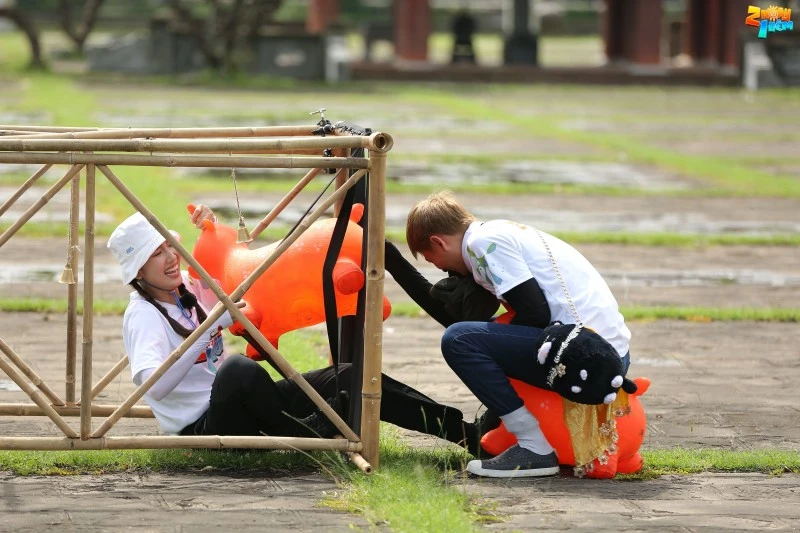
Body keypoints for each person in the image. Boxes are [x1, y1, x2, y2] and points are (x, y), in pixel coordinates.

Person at [106, 207, 496, 454]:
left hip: (247, 405)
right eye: (156, 254)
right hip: (207, 425)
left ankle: (466, 435)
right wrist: (213, 325)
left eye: (169, 247)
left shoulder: (187, 291)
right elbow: (152, 387)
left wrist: (210, 228)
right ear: (138, 272)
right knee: (238, 370)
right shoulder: (144, 314)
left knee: (348, 375)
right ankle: (305, 436)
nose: (171, 258)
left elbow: (227, 273)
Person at [387, 190, 631, 478]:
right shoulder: (496, 233)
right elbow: (459, 316)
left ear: (438, 242)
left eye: (434, 260)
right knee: (471, 336)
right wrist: (391, 259)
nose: (442, 269)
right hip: (600, 351)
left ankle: (534, 447)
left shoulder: (483, 244)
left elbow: (534, 314)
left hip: (588, 359)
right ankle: (522, 440)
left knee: (459, 340)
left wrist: (491, 348)